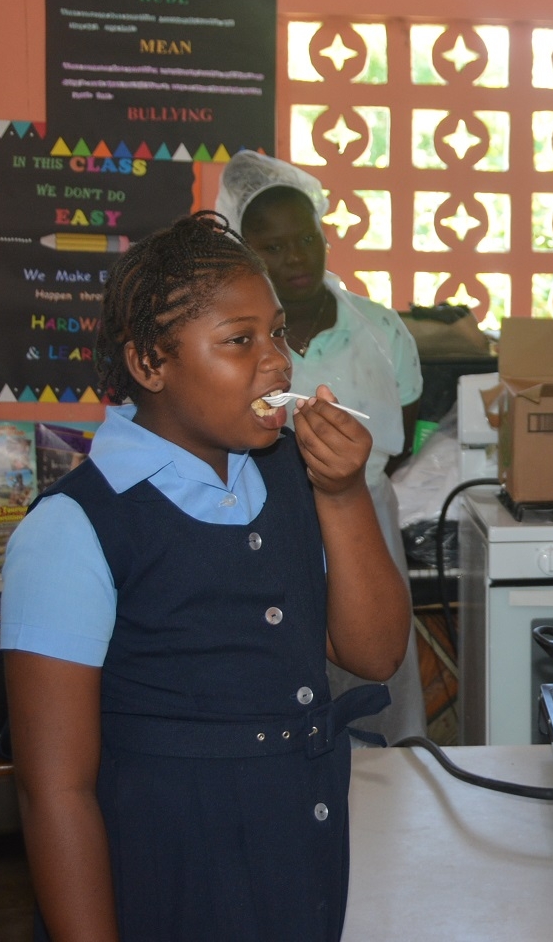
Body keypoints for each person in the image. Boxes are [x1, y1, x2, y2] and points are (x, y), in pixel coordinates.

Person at [0, 213, 411, 941]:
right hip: (165, 881)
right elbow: (55, 793)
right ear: (150, 364)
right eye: (239, 340)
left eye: (279, 334)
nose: (277, 362)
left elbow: (374, 653)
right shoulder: (72, 529)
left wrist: (343, 493)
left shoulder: (294, 476)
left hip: (300, 860)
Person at [216, 151, 428, 745]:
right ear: (244, 250)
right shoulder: (234, 343)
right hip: (271, 520)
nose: (296, 257)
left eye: (306, 238)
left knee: (378, 662)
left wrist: (346, 479)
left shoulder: (381, 331)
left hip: (366, 517)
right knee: (288, 669)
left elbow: (403, 435)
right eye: (273, 247)